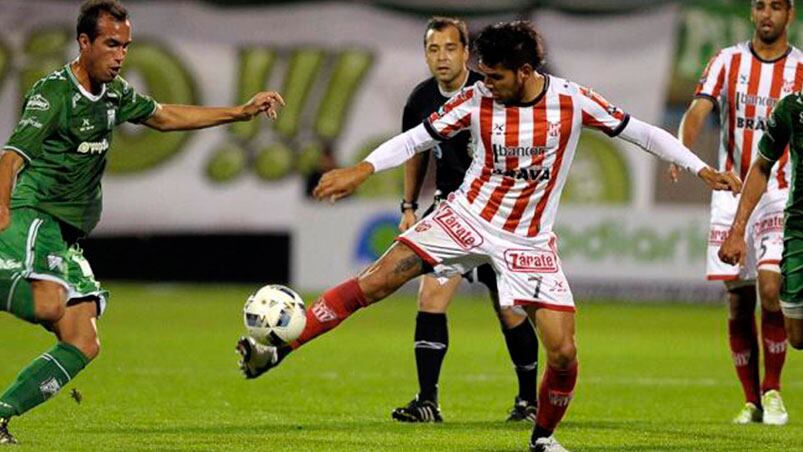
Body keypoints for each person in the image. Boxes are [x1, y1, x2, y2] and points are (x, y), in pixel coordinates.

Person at [238, 21, 739, 452]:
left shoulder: (572, 100)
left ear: (524, 71)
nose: (487, 84)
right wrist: (363, 169)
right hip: (466, 218)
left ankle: (542, 437)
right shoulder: (475, 100)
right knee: (375, 283)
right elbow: (417, 138)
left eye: (496, 76)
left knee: (563, 353)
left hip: (530, 242)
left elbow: (642, 131)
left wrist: (699, 168)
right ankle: (280, 348)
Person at [0, 0, 284, 444]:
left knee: (83, 339)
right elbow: (12, 156)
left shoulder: (114, 94)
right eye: (111, 44)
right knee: (50, 304)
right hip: (37, 217)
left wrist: (240, 112)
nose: (120, 55)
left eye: (126, 46)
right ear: (84, 42)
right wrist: (1, 212)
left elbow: (165, 116)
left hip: (68, 235)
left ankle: (1, 413)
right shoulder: (53, 93)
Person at [391, 16, 540, 424]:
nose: (442, 57)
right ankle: (427, 402)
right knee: (430, 299)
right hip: (451, 213)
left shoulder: (490, 90)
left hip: (496, 216)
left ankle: (529, 401)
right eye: (433, 49)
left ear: (466, 51)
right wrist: (408, 206)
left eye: (450, 48)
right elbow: (416, 151)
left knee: (509, 310)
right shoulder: (420, 99)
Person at [671, 0, 800, 425]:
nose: (767, 15)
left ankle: (774, 390)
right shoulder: (726, 61)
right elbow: (699, 110)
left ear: (790, 16)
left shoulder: (800, 69)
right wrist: (683, 150)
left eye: (776, 7)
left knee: (770, 287)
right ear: (751, 13)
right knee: (738, 300)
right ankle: (751, 401)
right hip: (730, 190)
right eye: (760, 6)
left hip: (781, 188)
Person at [720, 91, 803, 349]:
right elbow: (762, 166)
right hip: (799, 228)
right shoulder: (792, 108)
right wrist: (737, 229)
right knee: (797, 337)